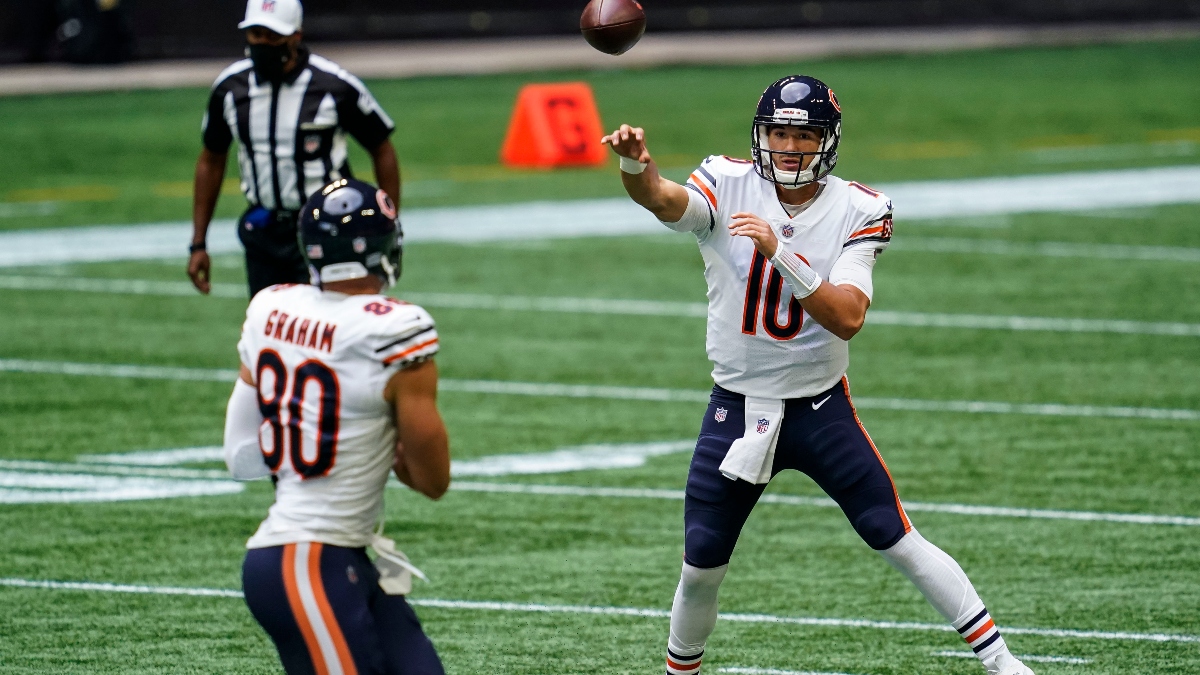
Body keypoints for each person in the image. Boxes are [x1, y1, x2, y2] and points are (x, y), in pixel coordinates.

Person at [602, 75, 1035, 675]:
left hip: (818, 410)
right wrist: (633, 166)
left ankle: (1005, 665)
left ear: (826, 142)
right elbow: (663, 199)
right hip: (737, 407)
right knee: (700, 564)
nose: (787, 146)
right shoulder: (728, 182)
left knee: (894, 534)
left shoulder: (861, 207)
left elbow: (848, 316)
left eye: (802, 135)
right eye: (777, 132)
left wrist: (781, 252)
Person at [222, 177, 448, 674]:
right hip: (305, 561)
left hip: (325, 558)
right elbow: (434, 482)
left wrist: (317, 432)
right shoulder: (397, 328)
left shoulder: (271, 307)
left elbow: (240, 455)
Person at [189, 0, 401, 299]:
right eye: (256, 34)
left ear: (296, 36)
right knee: (269, 328)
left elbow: (381, 147)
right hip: (263, 228)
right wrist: (198, 242)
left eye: (272, 36)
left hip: (327, 230)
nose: (263, 43)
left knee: (328, 329)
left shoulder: (334, 86)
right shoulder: (230, 88)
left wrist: (388, 222)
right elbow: (211, 159)